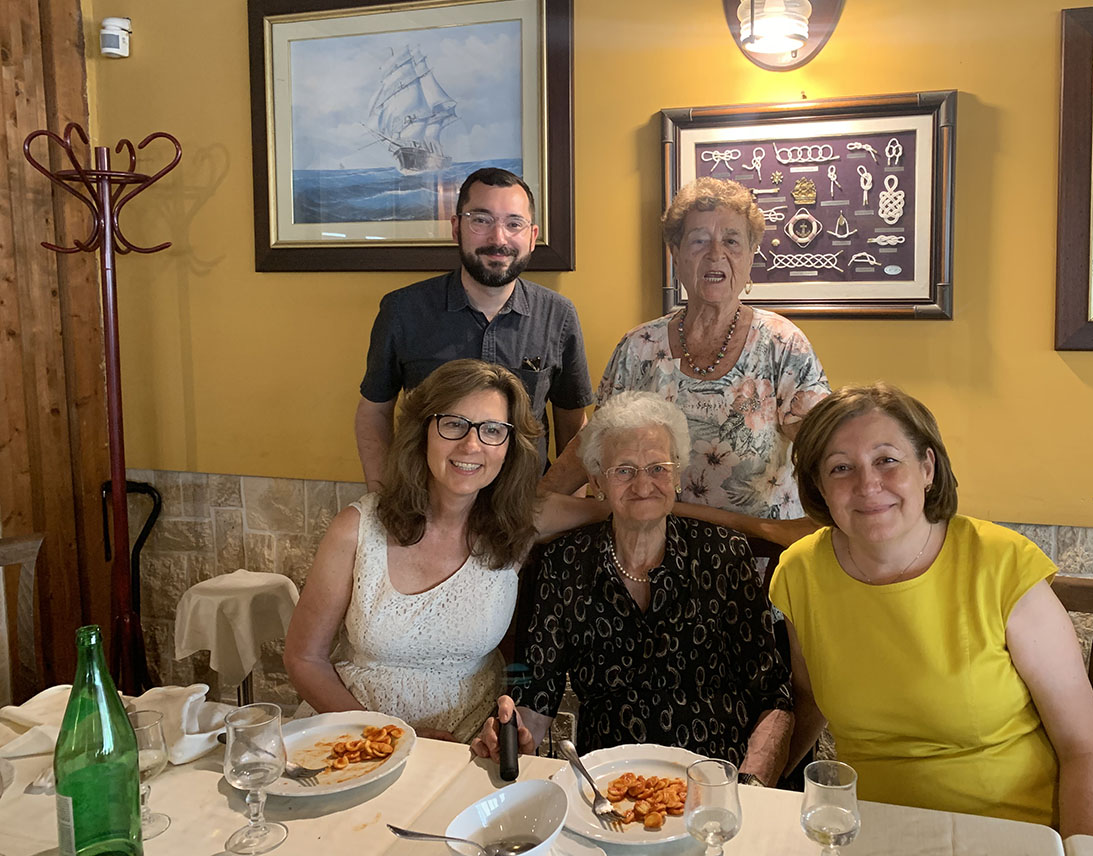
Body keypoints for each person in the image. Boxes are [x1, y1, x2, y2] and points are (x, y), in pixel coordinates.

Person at [769, 384, 1093, 836]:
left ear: (927, 468)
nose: (867, 484)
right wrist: (756, 790)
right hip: (871, 833)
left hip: (1007, 836)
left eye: (886, 460)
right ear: (819, 486)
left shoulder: (1000, 564)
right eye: (841, 468)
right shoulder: (800, 571)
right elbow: (810, 700)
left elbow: (1086, 750)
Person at [472, 391, 793, 785]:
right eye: (624, 470)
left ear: (677, 475)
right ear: (597, 481)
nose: (643, 484)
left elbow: (772, 694)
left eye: (658, 468)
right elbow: (538, 694)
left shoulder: (724, 555)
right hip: (609, 785)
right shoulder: (565, 563)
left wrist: (750, 784)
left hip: (714, 779)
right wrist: (515, 731)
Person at [287, 359, 603, 742]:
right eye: (453, 424)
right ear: (422, 432)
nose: (471, 445)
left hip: (469, 746)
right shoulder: (357, 527)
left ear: (509, 446)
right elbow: (305, 658)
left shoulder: (521, 520)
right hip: (359, 741)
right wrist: (390, 737)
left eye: (492, 430)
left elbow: (630, 508)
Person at [539, 177, 829, 546]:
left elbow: (825, 448)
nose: (715, 254)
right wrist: (530, 506)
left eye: (731, 241)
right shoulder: (639, 347)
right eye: (699, 240)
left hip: (756, 554)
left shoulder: (783, 345)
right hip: (649, 553)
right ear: (676, 254)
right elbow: (595, 443)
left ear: (751, 255)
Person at [355, 167, 594, 490]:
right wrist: (384, 498)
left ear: (532, 236)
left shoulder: (558, 316)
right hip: (427, 505)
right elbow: (374, 413)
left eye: (514, 224)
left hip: (527, 508)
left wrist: (563, 507)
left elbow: (573, 427)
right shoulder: (402, 310)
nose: (498, 239)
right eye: (481, 220)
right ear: (457, 228)